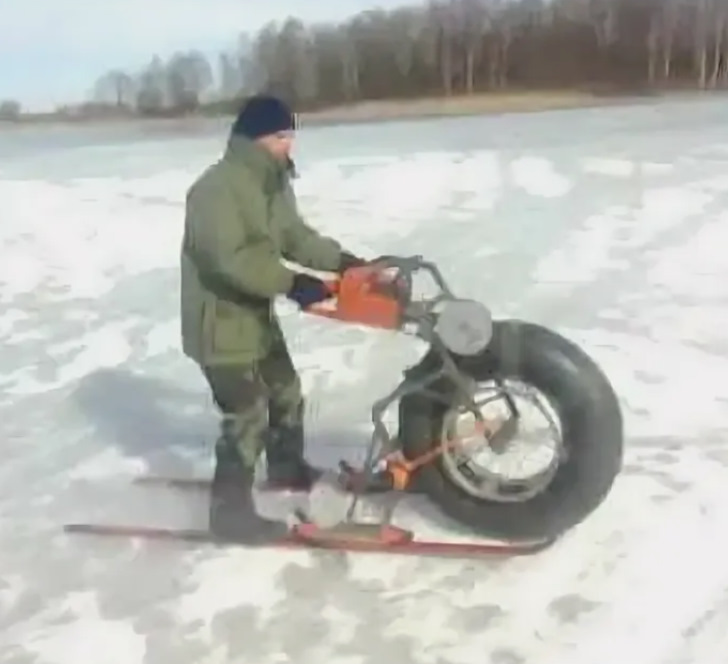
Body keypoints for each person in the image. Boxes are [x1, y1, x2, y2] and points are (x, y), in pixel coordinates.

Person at [180, 94, 368, 542]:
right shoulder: (214, 190)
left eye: (291, 136)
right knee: (247, 414)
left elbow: (294, 236)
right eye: (282, 136)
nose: (290, 145)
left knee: (285, 390)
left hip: (255, 317)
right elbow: (231, 259)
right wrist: (292, 282)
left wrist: (345, 264)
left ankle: (285, 466)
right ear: (257, 138)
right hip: (219, 324)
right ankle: (228, 514)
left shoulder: (271, 182)